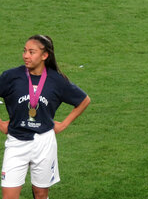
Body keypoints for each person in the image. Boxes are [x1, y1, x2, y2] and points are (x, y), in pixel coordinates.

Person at [0, 35, 91, 199]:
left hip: (44, 143)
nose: (26, 55)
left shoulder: (56, 80)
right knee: (9, 196)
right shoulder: (11, 77)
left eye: (31, 52)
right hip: (16, 142)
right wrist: (0, 124)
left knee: (40, 194)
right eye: (25, 51)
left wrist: (63, 125)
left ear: (44, 55)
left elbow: (84, 100)